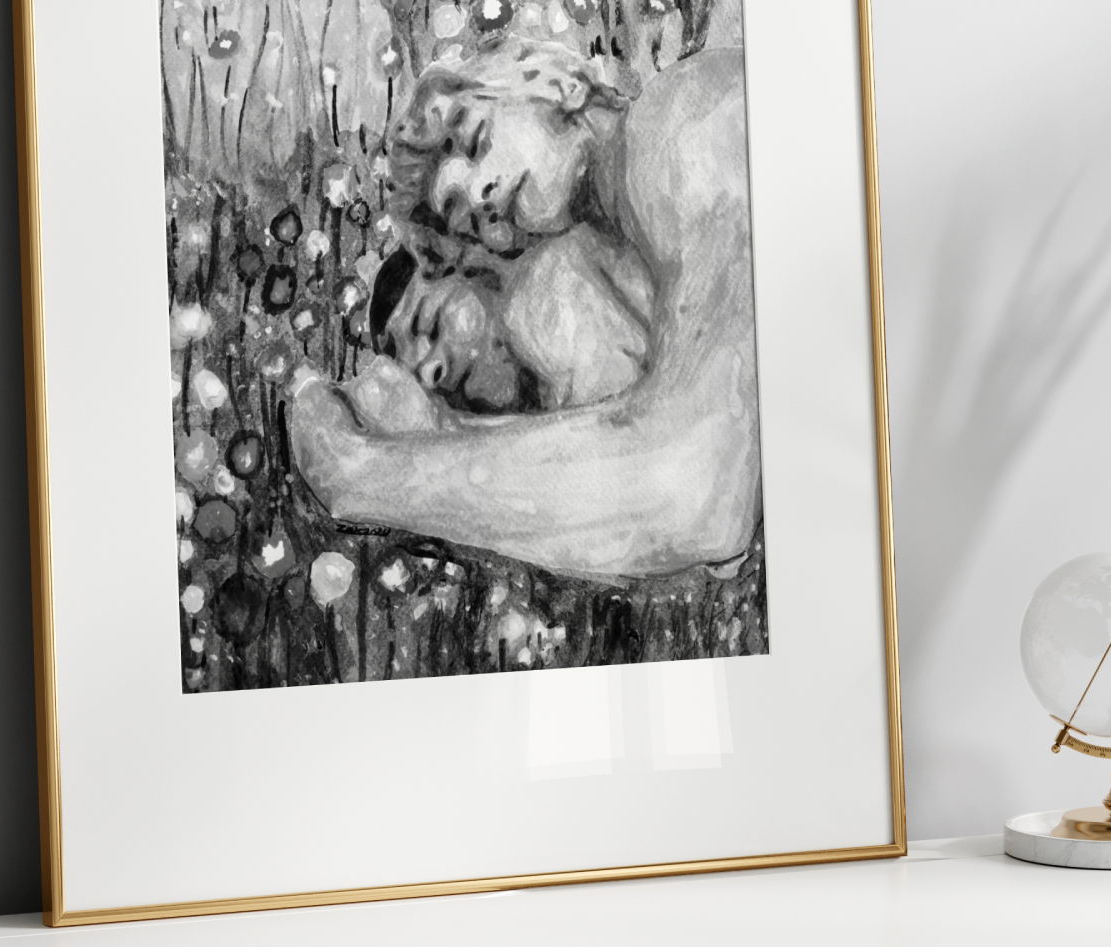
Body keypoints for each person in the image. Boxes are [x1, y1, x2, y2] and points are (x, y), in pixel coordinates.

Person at [291, 38, 760, 580]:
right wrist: (441, 435)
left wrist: (358, 474)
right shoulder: (613, 256)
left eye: (468, 140)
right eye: (460, 218)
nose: (467, 188)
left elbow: (698, 493)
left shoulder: (676, 128)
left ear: (551, 79)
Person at [365, 224, 655, 416]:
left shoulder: (546, 289)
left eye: (432, 327)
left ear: (459, 267)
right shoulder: (538, 391)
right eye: (418, 381)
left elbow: (619, 432)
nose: (430, 374)